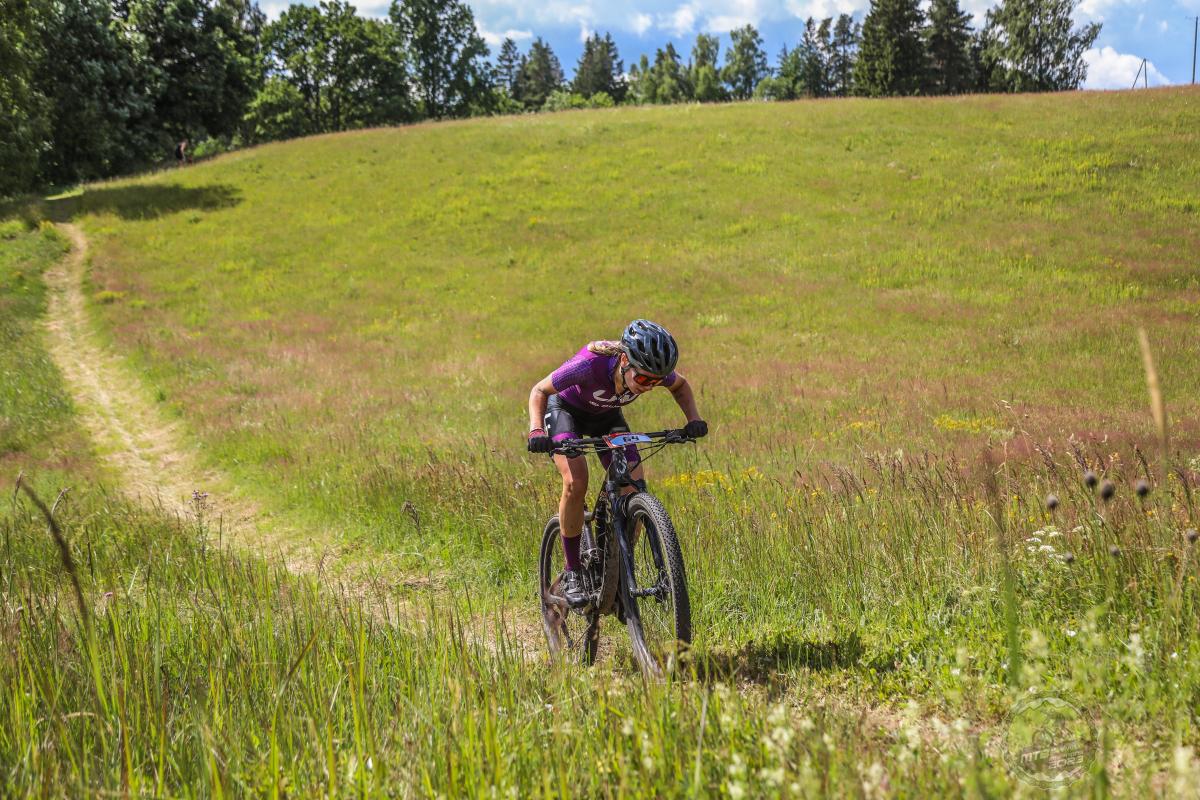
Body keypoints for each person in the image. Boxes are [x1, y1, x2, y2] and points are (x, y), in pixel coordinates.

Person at [526, 319, 708, 607]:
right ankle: (573, 572)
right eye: (644, 380)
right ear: (624, 361)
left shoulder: (648, 368)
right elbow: (539, 390)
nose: (649, 387)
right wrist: (537, 431)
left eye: (656, 381)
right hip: (565, 413)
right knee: (576, 481)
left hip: (607, 418)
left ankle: (618, 570)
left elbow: (680, 386)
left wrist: (693, 419)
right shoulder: (589, 365)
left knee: (633, 485)